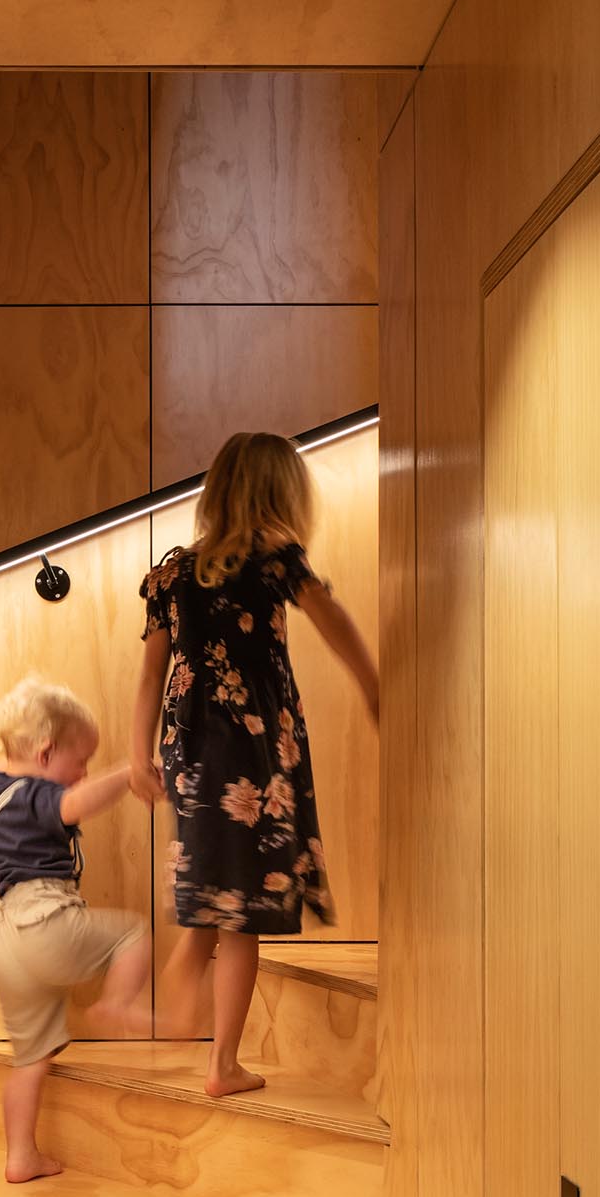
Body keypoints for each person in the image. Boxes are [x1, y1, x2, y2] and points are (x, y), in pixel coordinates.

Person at [131, 429, 379, 1097]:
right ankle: (220, 1059)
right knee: (247, 904)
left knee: (219, 882)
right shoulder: (277, 558)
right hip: (251, 741)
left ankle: (197, 966)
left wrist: (135, 756)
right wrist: (374, 686)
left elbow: (150, 674)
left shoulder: (173, 571)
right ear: (280, 494)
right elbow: (335, 621)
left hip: (185, 746)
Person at [0, 676, 150, 1182]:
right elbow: (74, 805)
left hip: (0, 939)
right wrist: (127, 774)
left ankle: (20, 1156)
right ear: (46, 754)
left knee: (31, 1057)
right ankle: (119, 1002)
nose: (84, 772)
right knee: (132, 935)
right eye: (82, 761)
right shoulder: (33, 792)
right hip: (39, 919)